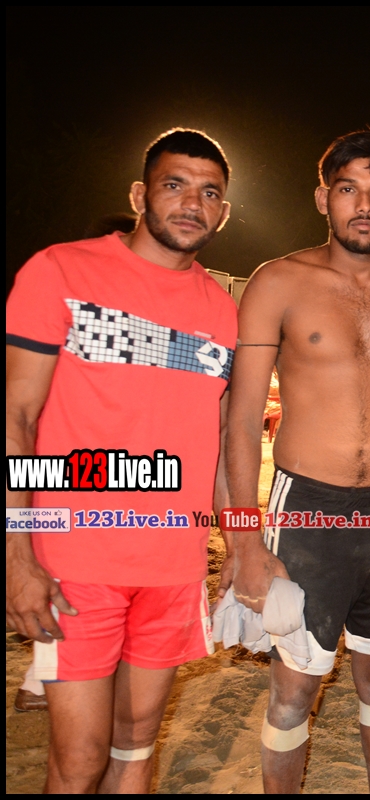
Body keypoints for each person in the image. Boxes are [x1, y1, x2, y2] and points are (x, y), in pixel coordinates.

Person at [224, 130, 370, 794]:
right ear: (323, 198)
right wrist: (242, 540)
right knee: (295, 688)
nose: (364, 204)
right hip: (308, 510)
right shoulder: (278, 282)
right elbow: (241, 418)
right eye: (348, 189)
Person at [5, 129, 237, 792]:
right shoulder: (60, 272)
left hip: (172, 566)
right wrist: (16, 554)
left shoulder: (222, 312)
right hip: (76, 563)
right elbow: (16, 418)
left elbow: (221, 441)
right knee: (79, 761)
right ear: (140, 194)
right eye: (175, 185)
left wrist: (240, 541)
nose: (191, 203)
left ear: (222, 212)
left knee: (135, 750)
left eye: (209, 193)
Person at [13, 211, 141, 716]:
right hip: (63, 481)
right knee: (61, 577)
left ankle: (40, 678)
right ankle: (42, 677)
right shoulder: (62, 302)